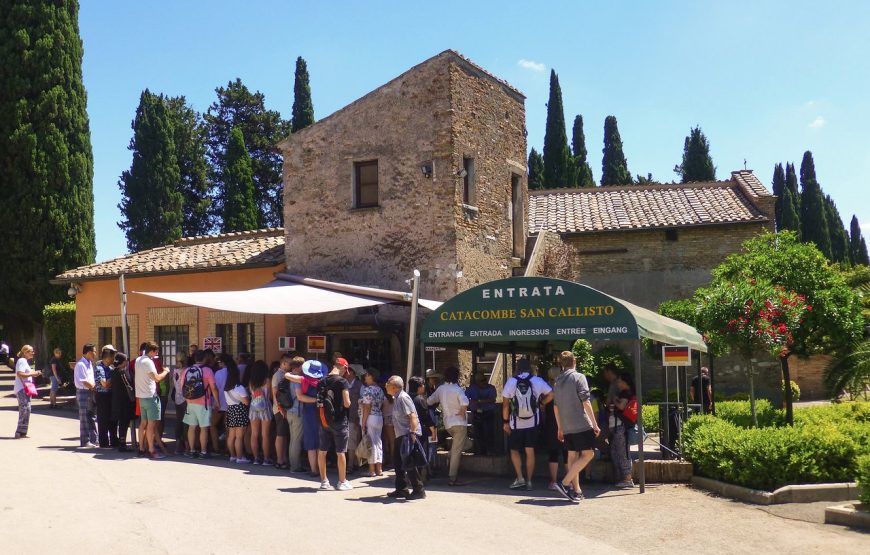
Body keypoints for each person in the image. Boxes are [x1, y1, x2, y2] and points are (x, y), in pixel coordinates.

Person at [552, 351, 601, 502]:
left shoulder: (557, 380)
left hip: (566, 425)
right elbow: (586, 401)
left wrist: (560, 428)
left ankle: (577, 490)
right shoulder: (579, 377)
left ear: (561, 363)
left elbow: (556, 407)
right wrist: (594, 424)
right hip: (580, 423)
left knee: (572, 456)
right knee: (588, 454)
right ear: (574, 361)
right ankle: (565, 483)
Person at [502, 358, 553, 490]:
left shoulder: (511, 382)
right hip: (532, 422)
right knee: (530, 451)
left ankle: (520, 478)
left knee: (514, 450)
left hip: (515, 424)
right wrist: (541, 404)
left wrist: (506, 422)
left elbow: (506, 406)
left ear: (517, 368)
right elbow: (551, 394)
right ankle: (529, 481)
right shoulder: (537, 380)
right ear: (529, 368)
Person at [427, 366, 469, 486]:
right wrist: (462, 411)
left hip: (447, 424)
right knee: (458, 450)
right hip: (459, 423)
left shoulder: (441, 389)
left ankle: (450, 455)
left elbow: (430, 401)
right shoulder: (457, 389)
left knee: (462, 445)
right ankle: (452, 478)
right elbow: (465, 402)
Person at [385, 376, 425, 500]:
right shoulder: (396, 398)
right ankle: (401, 489)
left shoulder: (403, 398)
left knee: (409, 462)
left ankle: (419, 490)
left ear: (394, 387)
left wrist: (413, 433)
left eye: (388, 383)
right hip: (400, 434)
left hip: (407, 434)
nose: (386, 385)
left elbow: (412, 416)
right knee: (398, 462)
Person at [315, 358, 352, 491]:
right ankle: (342, 482)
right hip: (339, 420)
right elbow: (347, 403)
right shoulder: (342, 381)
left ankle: (324, 481)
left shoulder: (321, 381)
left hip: (324, 419)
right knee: (340, 452)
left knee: (323, 450)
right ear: (342, 367)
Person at [284, 360, 325, 477]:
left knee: (310, 442)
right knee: (320, 442)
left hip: (308, 412)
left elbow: (287, 375)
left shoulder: (304, 380)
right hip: (321, 412)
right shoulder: (323, 381)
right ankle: (321, 468)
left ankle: (313, 470)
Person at [182, 350, 220, 459]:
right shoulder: (207, 370)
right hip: (204, 403)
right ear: (204, 359)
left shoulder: (186, 370)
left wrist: (187, 399)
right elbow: (213, 388)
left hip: (190, 402)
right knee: (204, 428)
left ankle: (192, 450)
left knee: (192, 427)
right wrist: (217, 401)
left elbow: (182, 387)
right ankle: (203, 451)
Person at [136, 342, 171, 459]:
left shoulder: (138, 360)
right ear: (151, 351)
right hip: (150, 397)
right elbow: (156, 378)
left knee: (143, 424)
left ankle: (141, 448)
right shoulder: (148, 362)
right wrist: (166, 371)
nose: (156, 354)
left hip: (141, 397)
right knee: (151, 425)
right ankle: (151, 450)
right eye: (156, 352)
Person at [610, 372, 637, 488]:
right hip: (619, 425)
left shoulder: (626, 393)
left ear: (625, 382)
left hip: (621, 426)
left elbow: (621, 406)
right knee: (617, 451)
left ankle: (627, 478)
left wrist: (615, 399)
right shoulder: (626, 393)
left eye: (620, 381)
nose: (618, 384)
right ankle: (623, 477)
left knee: (622, 452)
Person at [223, 353, 250, 464]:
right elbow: (246, 402)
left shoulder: (227, 388)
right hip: (239, 410)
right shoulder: (239, 387)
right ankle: (240, 457)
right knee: (239, 437)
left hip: (231, 410)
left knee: (231, 436)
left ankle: (233, 455)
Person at [359, 368, 386, 477]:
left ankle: (372, 470)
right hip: (379, 417)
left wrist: (363, 422)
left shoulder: (368, 389)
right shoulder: (380, 389)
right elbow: (383, 403)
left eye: (366, 375)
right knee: (378, 443)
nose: (365, 377)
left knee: (370, 443)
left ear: (371, 376)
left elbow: (367, 406)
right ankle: (379, 469)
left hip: (370, 417)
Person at [410, 376, 437, 481]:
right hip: (419, 430)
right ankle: (421, 477)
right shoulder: (420, 399)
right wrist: (433, 430)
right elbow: (426, 417)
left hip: (407, 430)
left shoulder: (407, 397)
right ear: (420, 387)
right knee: (421, 453)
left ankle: (413, 477)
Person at [246, 360, 273, 465]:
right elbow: (270, 396)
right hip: (265, 407)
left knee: (254, 434)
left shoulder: (251, 382)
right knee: (265, 434)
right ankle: (266, 459)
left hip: (253, 407)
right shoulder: (267, 380)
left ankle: (256, 458)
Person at [466, 372, 498, 456]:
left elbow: (492, 399)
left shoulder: (491, 388)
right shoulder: (472, 388)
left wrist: (479, 401)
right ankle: (480, 451)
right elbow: (464, 397)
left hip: (488, 413)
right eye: (481, 381)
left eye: (485, 380)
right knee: (477, 433)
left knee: (488, 433)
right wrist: (470, 402)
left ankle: (490, 451)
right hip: (476, 413)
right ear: (476, 382)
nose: (484, 382)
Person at [74, 343, 98, 448]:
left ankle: (94, 439)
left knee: (91, 416)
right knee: (84, 416)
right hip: (84, 392)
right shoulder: (81, 365)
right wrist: (93, 387)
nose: (95, 354)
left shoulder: (89, 363)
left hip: (90, 391)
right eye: (94, 351)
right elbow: (83, 380)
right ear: (88, 352)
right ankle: (85, 441)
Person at [13, 345, 41, 439]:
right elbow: (19, 373)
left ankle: (23, 432)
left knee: (27, 409)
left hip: (25, 389)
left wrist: (33, 374)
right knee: (24, 409)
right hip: (21, 389)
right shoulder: (22, 361)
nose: (33, 353)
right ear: (25, 352)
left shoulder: (24, 361)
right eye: (31, 351)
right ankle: (18, 432)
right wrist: (33, 373)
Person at [110, 352, 135, 452]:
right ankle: (122, 444)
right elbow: (128, 386)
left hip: (116, 400)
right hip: (124, 402)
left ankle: (120, 442)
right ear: (123, 362)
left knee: (120, 423)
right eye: (126, 360)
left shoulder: (113, 372)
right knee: (124, 423)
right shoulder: (122, 373)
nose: (127, 362)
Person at [94, 345, 118, 448]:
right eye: (113, 356)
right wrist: (114, 375)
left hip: (110, 395)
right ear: (108, 356)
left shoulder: (111, 367)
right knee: (103, 419)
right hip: (102, 395)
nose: (114, 359)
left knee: (113, 418)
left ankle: (113, 440)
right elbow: (104, 384)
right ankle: (103, 442)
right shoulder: (99, 367)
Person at [345, 363, 364, 474]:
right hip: (344, 417)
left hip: (353, 417)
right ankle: (353, 463)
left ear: (352, 373)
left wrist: (358, 417)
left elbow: (361, 402)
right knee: (349, 441)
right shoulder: (343, 383)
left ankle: (351, 464)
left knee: (352, 441)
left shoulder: (359, 385)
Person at [169, 350, 188, 455]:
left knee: (178, 421)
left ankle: (177, 445)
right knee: (186, 422)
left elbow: (174, 384)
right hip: (186, 398)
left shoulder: (175, 370)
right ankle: (186, 446)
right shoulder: (186, 370)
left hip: (177, 398)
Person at [210, 353, 229, 455]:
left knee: (212, 425)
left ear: (222, 362)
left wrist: (216, 402)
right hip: (230, 403)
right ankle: (228, 449)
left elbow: (215, 388)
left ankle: (216, 447)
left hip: (219, 402)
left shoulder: (218, 373)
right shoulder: (233, 372)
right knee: (228, 427)